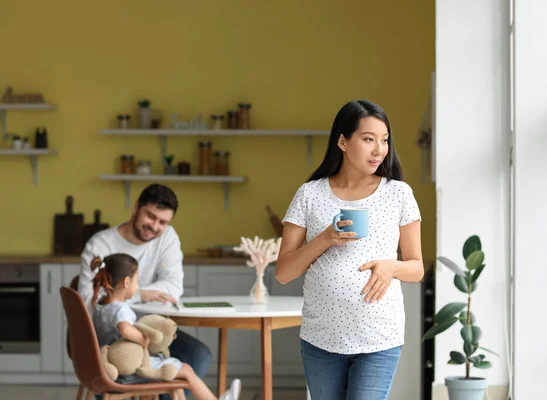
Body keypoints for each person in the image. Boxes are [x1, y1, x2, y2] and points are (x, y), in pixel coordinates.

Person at [276, 100, 424, 400]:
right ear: (342, 141)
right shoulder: (310, 194)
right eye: (368, 139)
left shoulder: (398, 194)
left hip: (379, 336)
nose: (379, 149)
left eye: (384, 140)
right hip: (321, 338)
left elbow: (417, 267)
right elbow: (283, 272)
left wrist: (391, 267)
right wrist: (324, 239)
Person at [78, 183, 212, 400]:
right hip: (111, 338)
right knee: (177, 363)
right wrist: (141, 294)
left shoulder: (166, 237)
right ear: (135, 208)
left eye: (163, 222)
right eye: (150, 216)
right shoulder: (101, 245)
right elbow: (89, 302)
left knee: (199, 355)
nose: (155, 226)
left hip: (150, 330)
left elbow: (173, 287)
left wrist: (133, 292)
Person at [89, 253, 241, 400]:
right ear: (126, 282)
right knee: (186, 370)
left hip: (111, 365)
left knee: (176, 379)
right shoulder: (121, 310)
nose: (137, 286)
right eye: (137, 281)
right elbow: (125, 329)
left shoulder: (100, 306)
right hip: (131, 368)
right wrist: (143, 340)